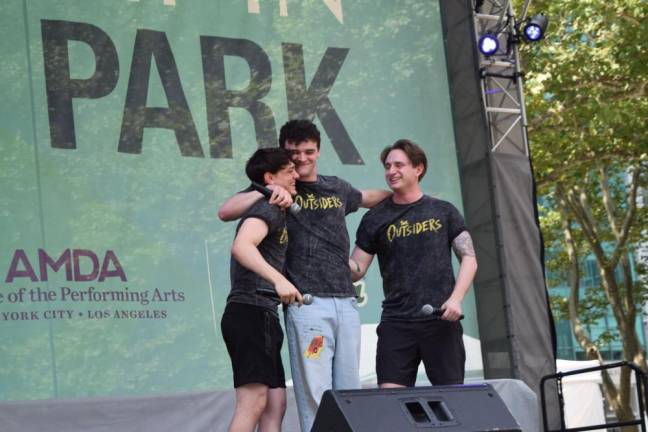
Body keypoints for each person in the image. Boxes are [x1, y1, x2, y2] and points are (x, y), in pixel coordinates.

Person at [218, 119, 389, 432]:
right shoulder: (275, 192)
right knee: (313, 393)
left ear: (319, 151)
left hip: (345, 304)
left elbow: (366, 197)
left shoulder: (335, 187)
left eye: (309, 152)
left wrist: (401, 192)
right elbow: (227, 212)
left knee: (342, 393)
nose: (301, 160)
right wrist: (264, 190)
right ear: (284, 154)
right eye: (294, 154)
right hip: (307, 306)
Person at [349, 139, 478, 388]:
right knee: (390, 400)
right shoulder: (374, 218)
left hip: (441, 321)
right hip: (396, 322)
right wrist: (331, 256)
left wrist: (456, 298)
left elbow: (469, 258)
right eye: (387, 166)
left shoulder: (443, 210)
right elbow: (357, 270)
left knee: (451, 401)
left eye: (399, 164)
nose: (391, 171)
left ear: (418, 168)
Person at [221, 148, 303, 432]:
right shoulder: (266, 205)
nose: (297, 175)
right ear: (270, 177)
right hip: (250, 310)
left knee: (275, 403)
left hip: (265, 314)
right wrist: (278, 280)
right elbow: (242, 246)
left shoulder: (276, 207)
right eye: (290, 170)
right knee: (254, 402)